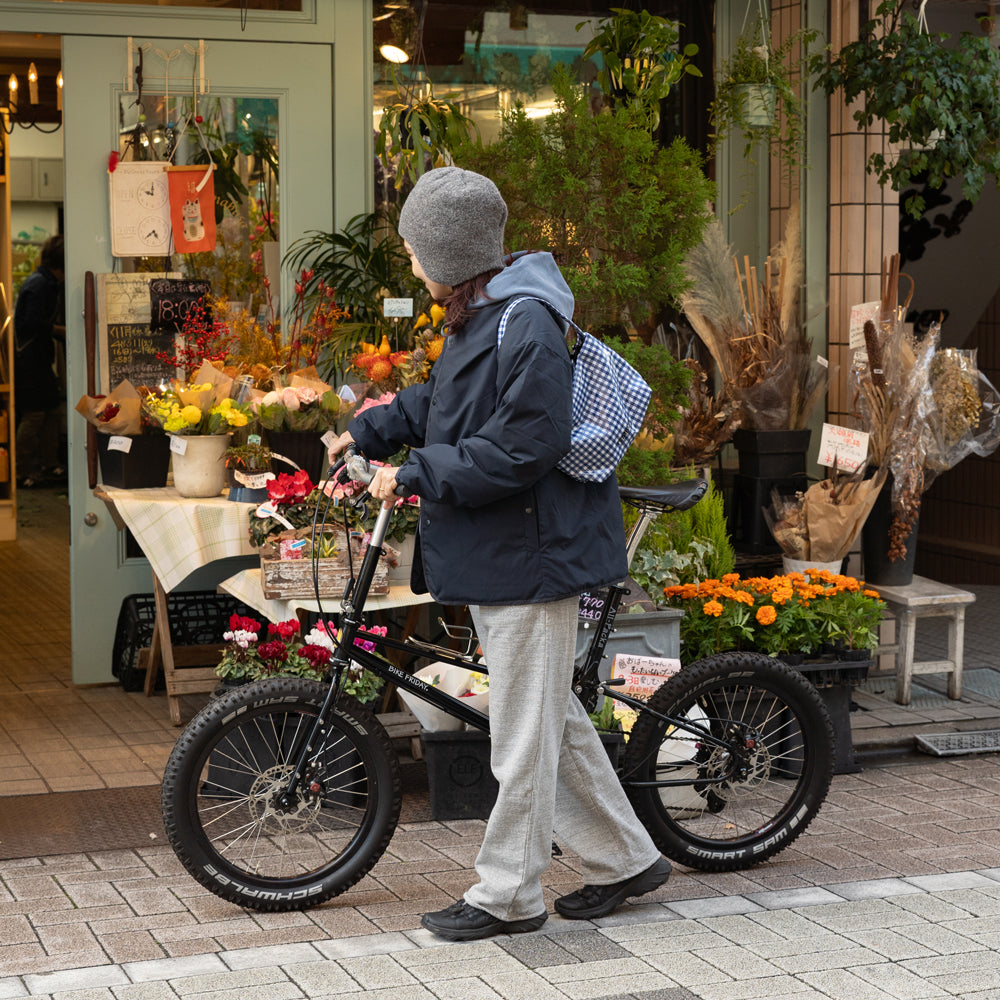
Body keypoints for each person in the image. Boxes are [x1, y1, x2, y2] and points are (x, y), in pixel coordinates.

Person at [329, 166, 671, 943]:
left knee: (521, 734)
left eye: (414, 245)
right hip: (508, 550)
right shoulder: (483, 314)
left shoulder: (526, 321)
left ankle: (509, 894)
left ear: (449, 251)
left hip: (532, 557)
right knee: (547, 719)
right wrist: (372, 428)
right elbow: (447, 404)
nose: (409, 257)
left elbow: (526, 445)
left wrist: (415, 471)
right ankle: (624, 859)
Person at [14, 235, 66, 488]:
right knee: (35, 415)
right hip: (31, 363)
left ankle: (49, 464)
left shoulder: (41, 281)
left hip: (35, 361)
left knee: (51, 411)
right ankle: (20, 471)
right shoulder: (41, 285)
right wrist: (59, 330)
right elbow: (30, 322)